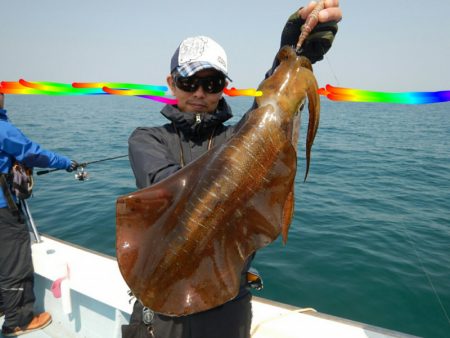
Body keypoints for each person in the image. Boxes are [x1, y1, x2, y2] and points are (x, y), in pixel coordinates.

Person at [125, 1, 342, 337]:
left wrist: (288, 61)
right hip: (160, 298)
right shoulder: (147, 140)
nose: (199, 93)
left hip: (227, 302)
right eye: (188, 81)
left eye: (211, 84)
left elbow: (259, 124)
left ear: (223, 86)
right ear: (171, 82)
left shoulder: (233, 135)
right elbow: (175, 190)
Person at [0, 92, 78, 336]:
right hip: (3, 209)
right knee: (14, 263)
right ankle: (18, 321)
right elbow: (33, 154)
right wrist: (66, 163)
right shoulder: (3, 129)